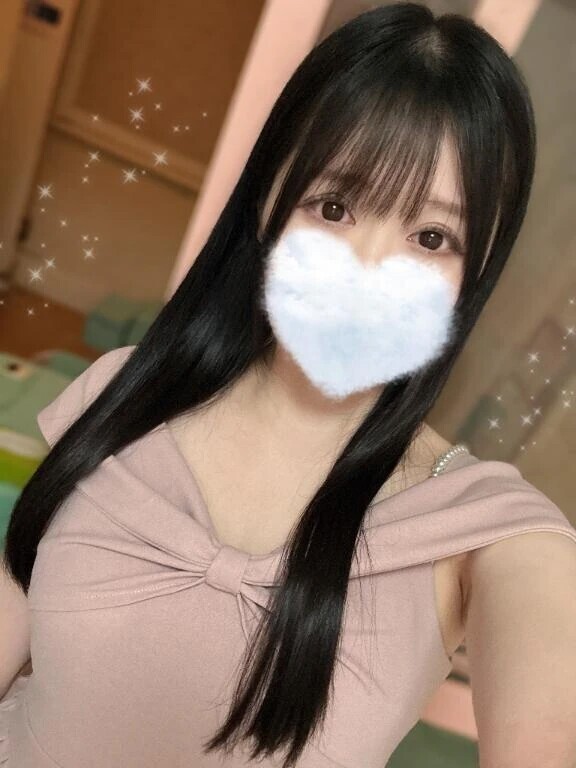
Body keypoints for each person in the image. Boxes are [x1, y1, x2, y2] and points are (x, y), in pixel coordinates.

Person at [2, 3, 576, 767]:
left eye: (432, 237)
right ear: (270, 200)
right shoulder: (126, 389)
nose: (368, 269)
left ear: (473, 275)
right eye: (335, 206)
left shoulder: (486, 529)